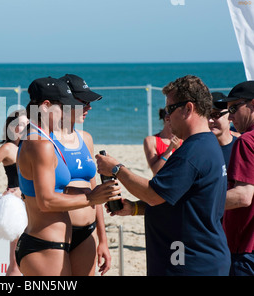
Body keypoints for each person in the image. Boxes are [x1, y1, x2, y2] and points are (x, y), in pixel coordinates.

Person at [96, 75, 230, 275]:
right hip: (198, 258)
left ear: (188, 109)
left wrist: (116, 169)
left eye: (169, 109)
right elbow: (178, 201)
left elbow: (153, 194)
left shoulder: (193, 152)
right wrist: (133, 208)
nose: (167, 117)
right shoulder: (207, 144)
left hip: (189, 263)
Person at [15, 77, 121, 276]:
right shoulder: (40, 143)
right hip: (45, 244)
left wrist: (98, 193)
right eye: (64, 106)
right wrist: (91, 197)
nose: (67, 111)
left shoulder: (42, 139)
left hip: (59, 240)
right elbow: (45, 201)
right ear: (46, 106)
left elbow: (55, 189)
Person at [53, 74, 111, 276]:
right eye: (83, 101)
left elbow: (96, 192)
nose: (89, 106)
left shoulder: (85, 138)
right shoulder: (45, 140)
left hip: (87, 231)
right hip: (56, 232)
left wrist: (102, 239)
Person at [0, 109, 28, 276]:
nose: (24, 128)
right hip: (16, 206)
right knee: (16, 261)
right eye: (20, 125)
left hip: (35, 203)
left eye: (27, 125)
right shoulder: (8, 148)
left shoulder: (34, 147)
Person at [218, 81, 254, 276]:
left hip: (245, 250)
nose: (230, 116)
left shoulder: (246, 141)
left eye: (233, 108)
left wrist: (197, 200)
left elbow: (243, 196)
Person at [143, 108, 182, 176]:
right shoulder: (151, 141)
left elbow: (186, 168)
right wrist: (169, 149)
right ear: (166, 119)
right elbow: (156, 172)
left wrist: (178, 148)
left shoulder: (183, 139)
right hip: (161, 184)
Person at [209, 92, 238, 168]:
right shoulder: (199, 150)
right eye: (206, 115)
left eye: (216, 115)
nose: (210, 120)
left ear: (230, 116)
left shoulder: (241, 148)